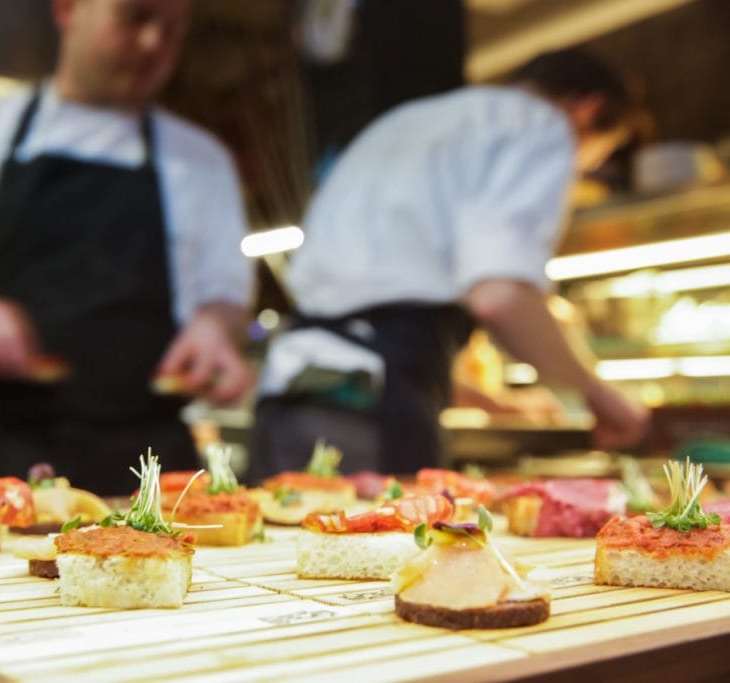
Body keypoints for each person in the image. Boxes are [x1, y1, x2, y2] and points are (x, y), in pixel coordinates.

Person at [0, 0, 253, 496]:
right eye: (135, 18)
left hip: (147, 467)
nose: (153, 44)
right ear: (68, 10)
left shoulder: (201, 159)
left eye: (173, 30)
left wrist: (214, 329)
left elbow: (226, 293)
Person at [251, 48, 649, 480]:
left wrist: (491, 402)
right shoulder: (541, 127)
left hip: (288, 398)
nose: (580, 170)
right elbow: (499, 297)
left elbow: (372, 319)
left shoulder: (406, 123)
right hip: (368, 415)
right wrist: (598, 394)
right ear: (589, 110)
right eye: (591, 159)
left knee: (280, 542)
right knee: (388, 543)